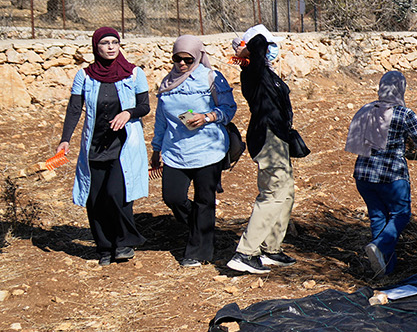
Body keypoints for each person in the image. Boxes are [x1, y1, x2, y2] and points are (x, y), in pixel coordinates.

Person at [56, 27, 152, 265]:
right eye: (105, 43)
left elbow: (144, 106)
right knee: (96, 198)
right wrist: (65, 139)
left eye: (114, 42)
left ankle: (124, 242)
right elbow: (75, 109)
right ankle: (104, 248)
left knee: (116, 193)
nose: (110, 47)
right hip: (95, 145)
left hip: (124, 147)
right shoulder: (85, 76)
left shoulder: (133, 73)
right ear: (95, 47)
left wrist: (128, 113)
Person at [150, 35, 238, 268]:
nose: (181, 64)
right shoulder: (167, 83)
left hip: (208, 150)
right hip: (175, 152)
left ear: (198, 57)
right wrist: (156, 148)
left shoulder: (211, 78)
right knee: (173, 197)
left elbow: (229, 108)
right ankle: (201, 228)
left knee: (204, 200)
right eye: (177, 58)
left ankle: (197, 251)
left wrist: (208, 117)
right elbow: (161, 119)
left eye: (187, 59)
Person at [229, 26, 304, 275]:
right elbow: (259, 42)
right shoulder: (253, 71)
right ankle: (245, 252)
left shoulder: (266, 73)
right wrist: (249, 44)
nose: (272, 49)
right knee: (273, 193)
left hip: (278, 137)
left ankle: (270, 248)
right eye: (270, 46)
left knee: (286, 193)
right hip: (267, 137)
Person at [346, 70, 417, 277]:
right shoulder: (405, 114)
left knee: (378, 217)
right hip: (391, 176)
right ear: (401, 89)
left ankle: (384, 270)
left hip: (364, 175)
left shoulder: (366, 110)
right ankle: (380, 246)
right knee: (401, 214)